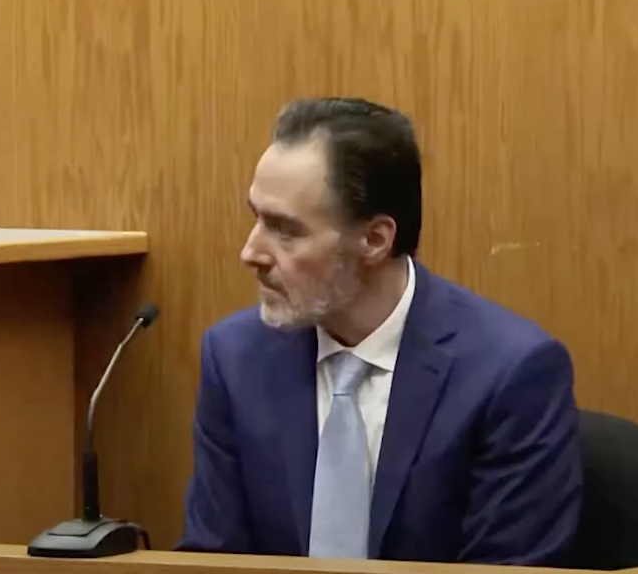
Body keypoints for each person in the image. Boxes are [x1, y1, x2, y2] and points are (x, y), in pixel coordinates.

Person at [177, 97, 582, 565]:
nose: (251, 252)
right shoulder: (235, 358)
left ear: (374, 240)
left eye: (284, 230)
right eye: (257, 217)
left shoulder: (511, 373)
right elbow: (214, 559)